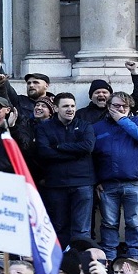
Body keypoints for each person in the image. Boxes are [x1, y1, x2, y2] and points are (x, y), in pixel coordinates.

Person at [91, 92, 138, 260]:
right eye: (116, 106)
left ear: (130, 107)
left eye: (124, 106)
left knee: (134, 223)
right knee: (109, 223)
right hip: (107, 184)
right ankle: (109, 260)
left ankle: (135, 259)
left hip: (133, 183)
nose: (120, 109)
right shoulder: (97, 127)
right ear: (108, 106)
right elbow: (91, 156)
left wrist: (122, 120)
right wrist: (96, 181)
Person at [35, 93, 95, 246]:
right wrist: (76, 153)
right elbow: (44, 152)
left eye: (72, 106)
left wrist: (59, 147)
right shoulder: (44, 128)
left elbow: (88, 147)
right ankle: (61, 264)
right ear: (55, 108)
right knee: (59, 227)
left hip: (82, 183)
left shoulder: (85, 126)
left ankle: (81, 263)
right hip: (56, 184)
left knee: (81, 229)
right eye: (65, 106)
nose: (70, 109)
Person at [74, 61, 138, 124]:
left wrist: (134, 73)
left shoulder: (121, 108)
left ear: (111, 96)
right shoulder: (81, 114)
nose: (101, 94)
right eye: (97, 92)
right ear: (91, 97)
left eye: (104, 92)